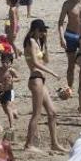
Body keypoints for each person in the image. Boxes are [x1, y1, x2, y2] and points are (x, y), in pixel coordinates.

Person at [23, 19, 66, 152]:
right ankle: (28, 145)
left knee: (53, 113)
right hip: (35, 79)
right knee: (37, 113)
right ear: (35, 29)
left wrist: (45, 44)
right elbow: (35, 63)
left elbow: (46, 60)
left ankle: (54, 143)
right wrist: (53, 73)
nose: (43, 33)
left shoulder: (37, 43)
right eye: (42, 30)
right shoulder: (30, 42)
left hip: (41, 80)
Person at [58, 0, 81, 88]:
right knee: (71, 64)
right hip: (70, 35)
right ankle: (70, 88)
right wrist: (61, 38)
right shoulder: (67, 4)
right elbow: (60, 22)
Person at [0, 53, 20, 134]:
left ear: (11, 63)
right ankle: (14, 112)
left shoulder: (11, 71)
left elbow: (19, 78)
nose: (5, 64)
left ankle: (12, 126)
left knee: (7, 107)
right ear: (1, 61)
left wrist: (12, 80)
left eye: (7, 63)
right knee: (5, 110)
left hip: (10, 91)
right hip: (1, 91)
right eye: (3, 62)